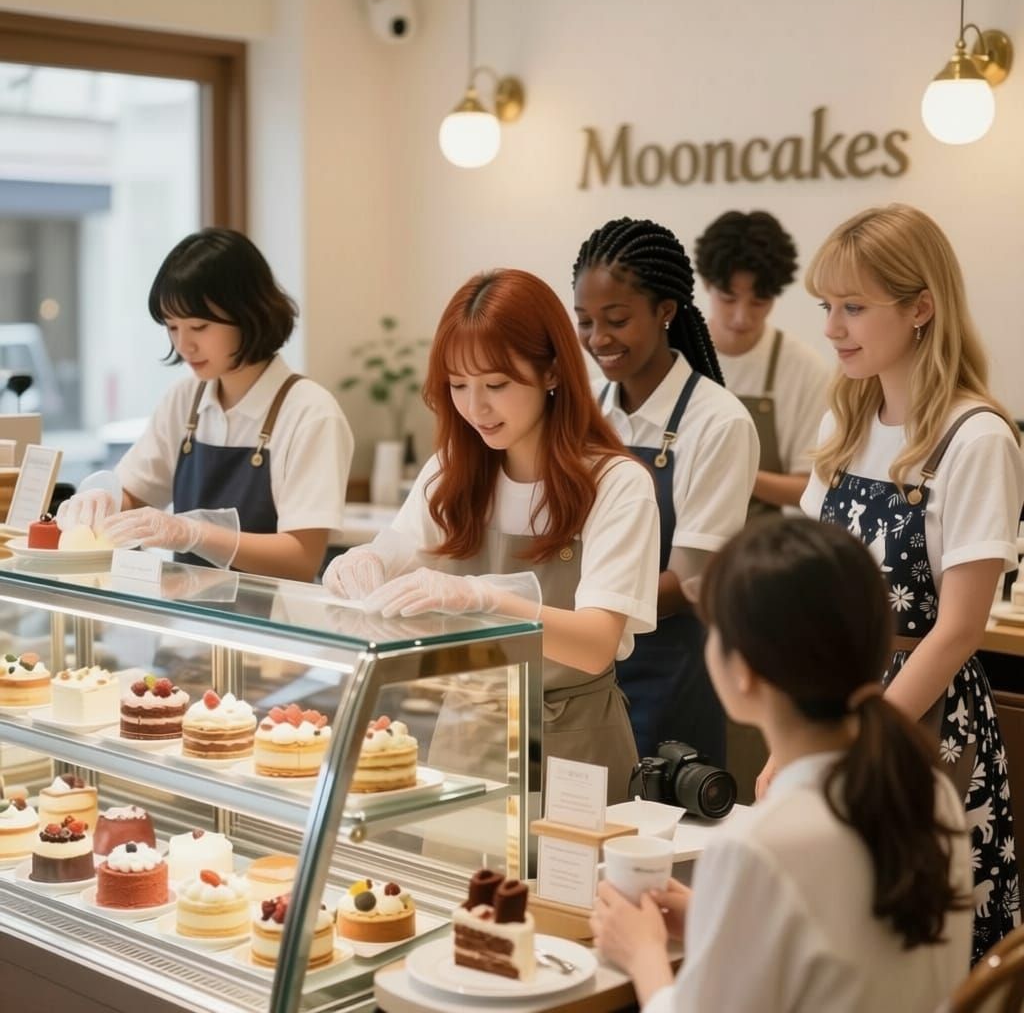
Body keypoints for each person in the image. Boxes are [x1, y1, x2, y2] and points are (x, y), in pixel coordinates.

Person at [591, 517, 973, 1013]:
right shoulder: (926, 790)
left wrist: (642, 956)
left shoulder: (757, 847)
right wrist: (715, 916)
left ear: (744, 670)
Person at [323, 268, 660, 802]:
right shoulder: (449, 471)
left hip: (574, 746)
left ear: (551, 372)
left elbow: (596, 645)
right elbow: (389, 551)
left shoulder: (617, 484)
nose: (475, 408)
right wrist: (359, 562)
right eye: (458, 386)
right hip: (467, 738)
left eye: (496, 385)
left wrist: (484, 598)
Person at [798, 203, 1023, 960]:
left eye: (854, 307)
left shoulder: (976, 436)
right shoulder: (848, 428)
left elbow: (960, 627)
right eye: (827, 306)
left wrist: (860, 740)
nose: (833, 327)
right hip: (828, 713)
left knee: (918, 952)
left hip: (920, 725)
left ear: (921, 306)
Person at [57, 228, 353, 582]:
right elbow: (134, 493)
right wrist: (97, 501)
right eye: (172, 327)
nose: (185, 345)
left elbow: (301, 558)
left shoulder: (310, 412)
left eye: (199, 326)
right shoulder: (185, 399)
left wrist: (193, 533)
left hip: (275, 626)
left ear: (248, 313)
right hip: (189, 626)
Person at [572, 217, 758, 766]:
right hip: (582, 671)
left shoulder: (719, 422)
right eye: (584, 321)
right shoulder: (584, 416)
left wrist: (580, 614)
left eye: (617, 319)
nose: (598, 339)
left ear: (666, 311)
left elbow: (690, 580)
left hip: (670, 674)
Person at [694, 209, 830, 517]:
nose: (742, 316)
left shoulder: (802, 368)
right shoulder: (674, 357)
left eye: (758, 302)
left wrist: (732, 472)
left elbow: (811, 488)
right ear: (706, 284)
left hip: (761, 552)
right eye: (729, 299)